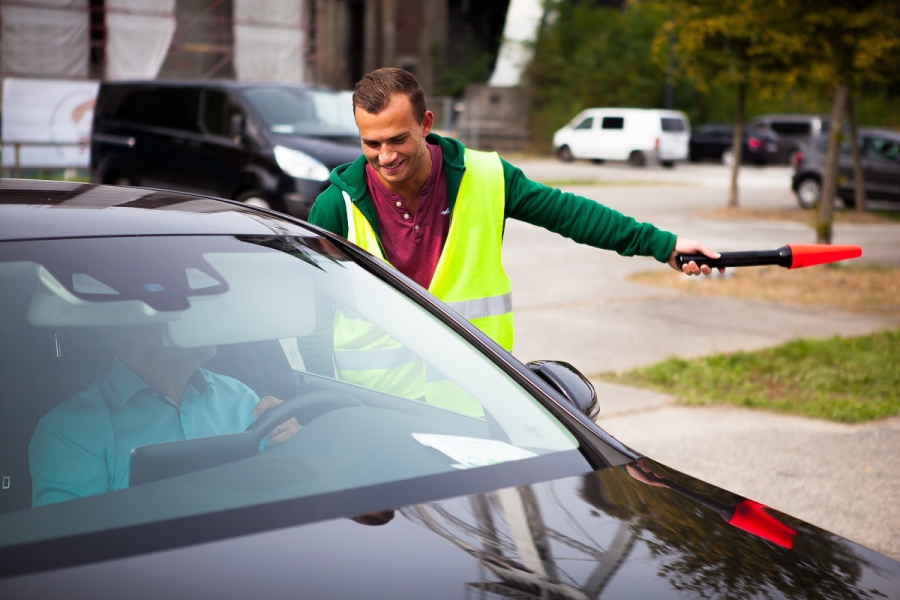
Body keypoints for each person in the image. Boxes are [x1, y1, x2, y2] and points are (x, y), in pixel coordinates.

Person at [309, 67, 720, 356]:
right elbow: (310, 309)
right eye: (371, 143)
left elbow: (570, 214)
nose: (385, 156)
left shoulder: (487, 176)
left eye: (397, 139)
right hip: (378, 405)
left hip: (476, 394)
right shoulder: (336, 208)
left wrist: (662, 245)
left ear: (426, 123)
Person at [29, 325, 299, 506]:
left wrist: (294, 439)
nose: (207, 318)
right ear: (134, 332)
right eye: (186, 308)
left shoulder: (240, 396)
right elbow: (75, 553)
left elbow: (284, 491)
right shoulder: (70, 431)